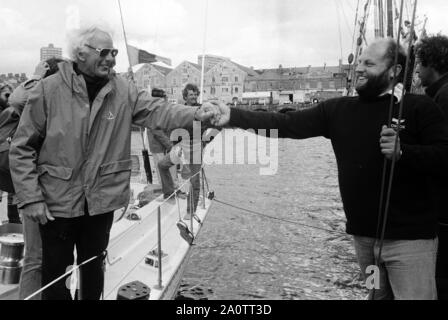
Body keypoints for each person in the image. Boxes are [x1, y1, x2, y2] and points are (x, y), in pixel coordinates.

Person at [211, 38, 448, 300]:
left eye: (368, 63)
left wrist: (404, 152)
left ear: (394, 71)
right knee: (376, 297)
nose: (358, 68)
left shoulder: (419, 108)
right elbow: (286, 123)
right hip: (365, 243)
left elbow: (444, 157)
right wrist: (233, 116)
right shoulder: (338, 110)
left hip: (410, 243)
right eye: (359, 61)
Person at [9, 26, 217, 300]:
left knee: (94, 267)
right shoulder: (48, 90)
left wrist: (197, 113)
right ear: (80, 54)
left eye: (114, 52)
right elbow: (21, 148)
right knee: (55, 275)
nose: (111, 59)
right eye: (104, 52)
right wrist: (31, 199)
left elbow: (159, 111)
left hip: (101, 202)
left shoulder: (123, 91)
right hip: (56, 203)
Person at [7, 58, 64, 300]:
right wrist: (38, 76)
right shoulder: (34, 99)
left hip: (61, 191)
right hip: (36, 190)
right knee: (35, 257)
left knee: (59, 258)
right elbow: (16, 99)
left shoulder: (64, 105)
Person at [415, 34, 448, 300]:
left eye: (419, 63)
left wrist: (402, 152)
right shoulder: (439, 94)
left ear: (431, 64)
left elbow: (441, 153)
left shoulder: (443, 98)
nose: (416, 69)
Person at [157, 84, 204, 218]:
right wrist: (174, 145)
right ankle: (169, 194)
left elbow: (208, 129)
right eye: (191, 94)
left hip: (195, 148)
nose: (194, 96)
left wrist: (204, 143)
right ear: (185, 97)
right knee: (162, 165)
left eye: (195, 94)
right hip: (180, 146)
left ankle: (191, 210)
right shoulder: (180, 110)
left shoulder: (202, 110)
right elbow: (173, 127)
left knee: (194, 180)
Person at [0, 82, 20, 225]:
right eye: (5, 93)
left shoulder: (11, 110)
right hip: (4, 155)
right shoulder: (8, 112)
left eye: (10, 93)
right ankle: (13, 220)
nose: (8, 96)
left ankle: (13, 219)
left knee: (12, 190)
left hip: (8, 156)